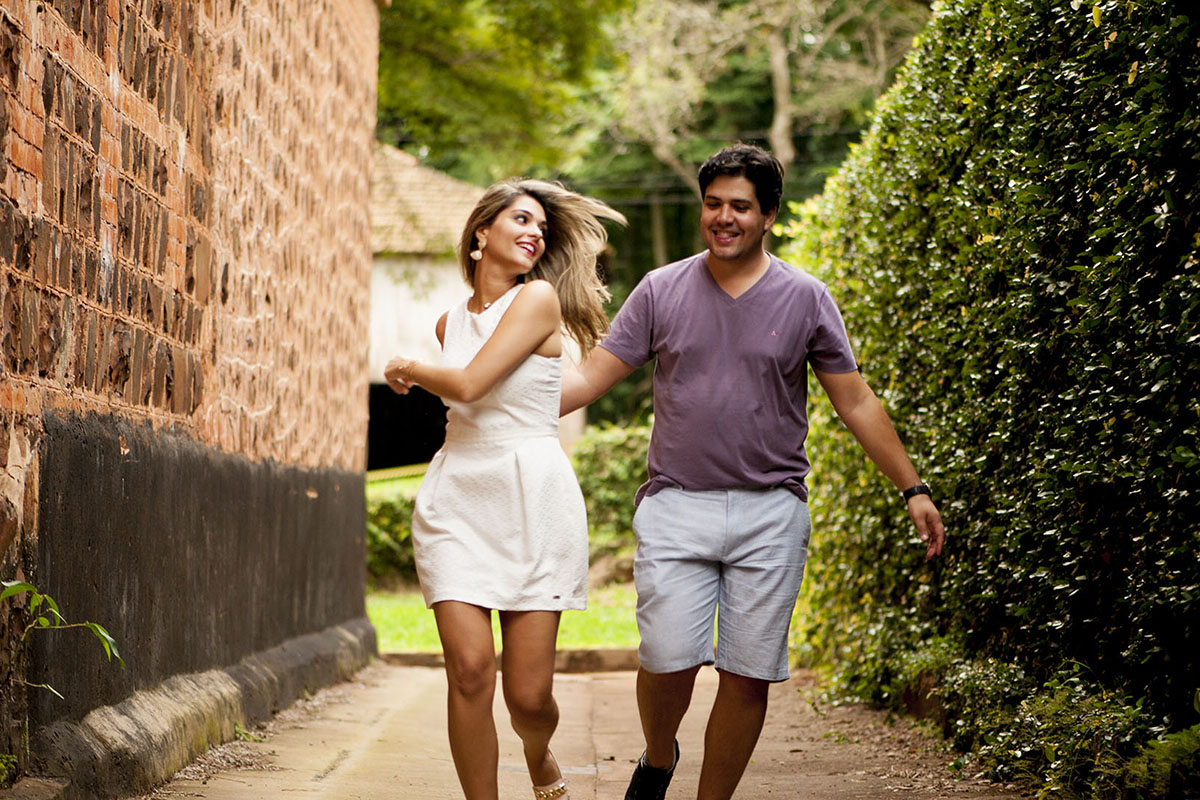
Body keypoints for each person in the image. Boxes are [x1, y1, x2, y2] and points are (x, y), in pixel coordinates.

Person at [560, 143, 946, 800]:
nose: (724, 217)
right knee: (666, 657)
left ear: (768, 215)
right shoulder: (661, 289)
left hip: (771, 511)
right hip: (676, 504)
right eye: (713, 204)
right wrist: (488, 393)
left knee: (747, 675)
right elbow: (589, 378)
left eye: (740, 206)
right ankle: (659, 756)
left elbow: (854, 400)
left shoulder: (806, 297)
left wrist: (913, 487)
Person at [385, 179, 626, 800]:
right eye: (521, 219)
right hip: (456, 499)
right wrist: (424, 365)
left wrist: (407, 366)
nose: (535, 233)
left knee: (528, 697)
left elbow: (470, 385)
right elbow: (466, 393)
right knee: (468, 673)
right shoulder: (449, 323)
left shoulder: (537, 299)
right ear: (480, 234)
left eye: (541, 226)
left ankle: (538, 751)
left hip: (532, 499)